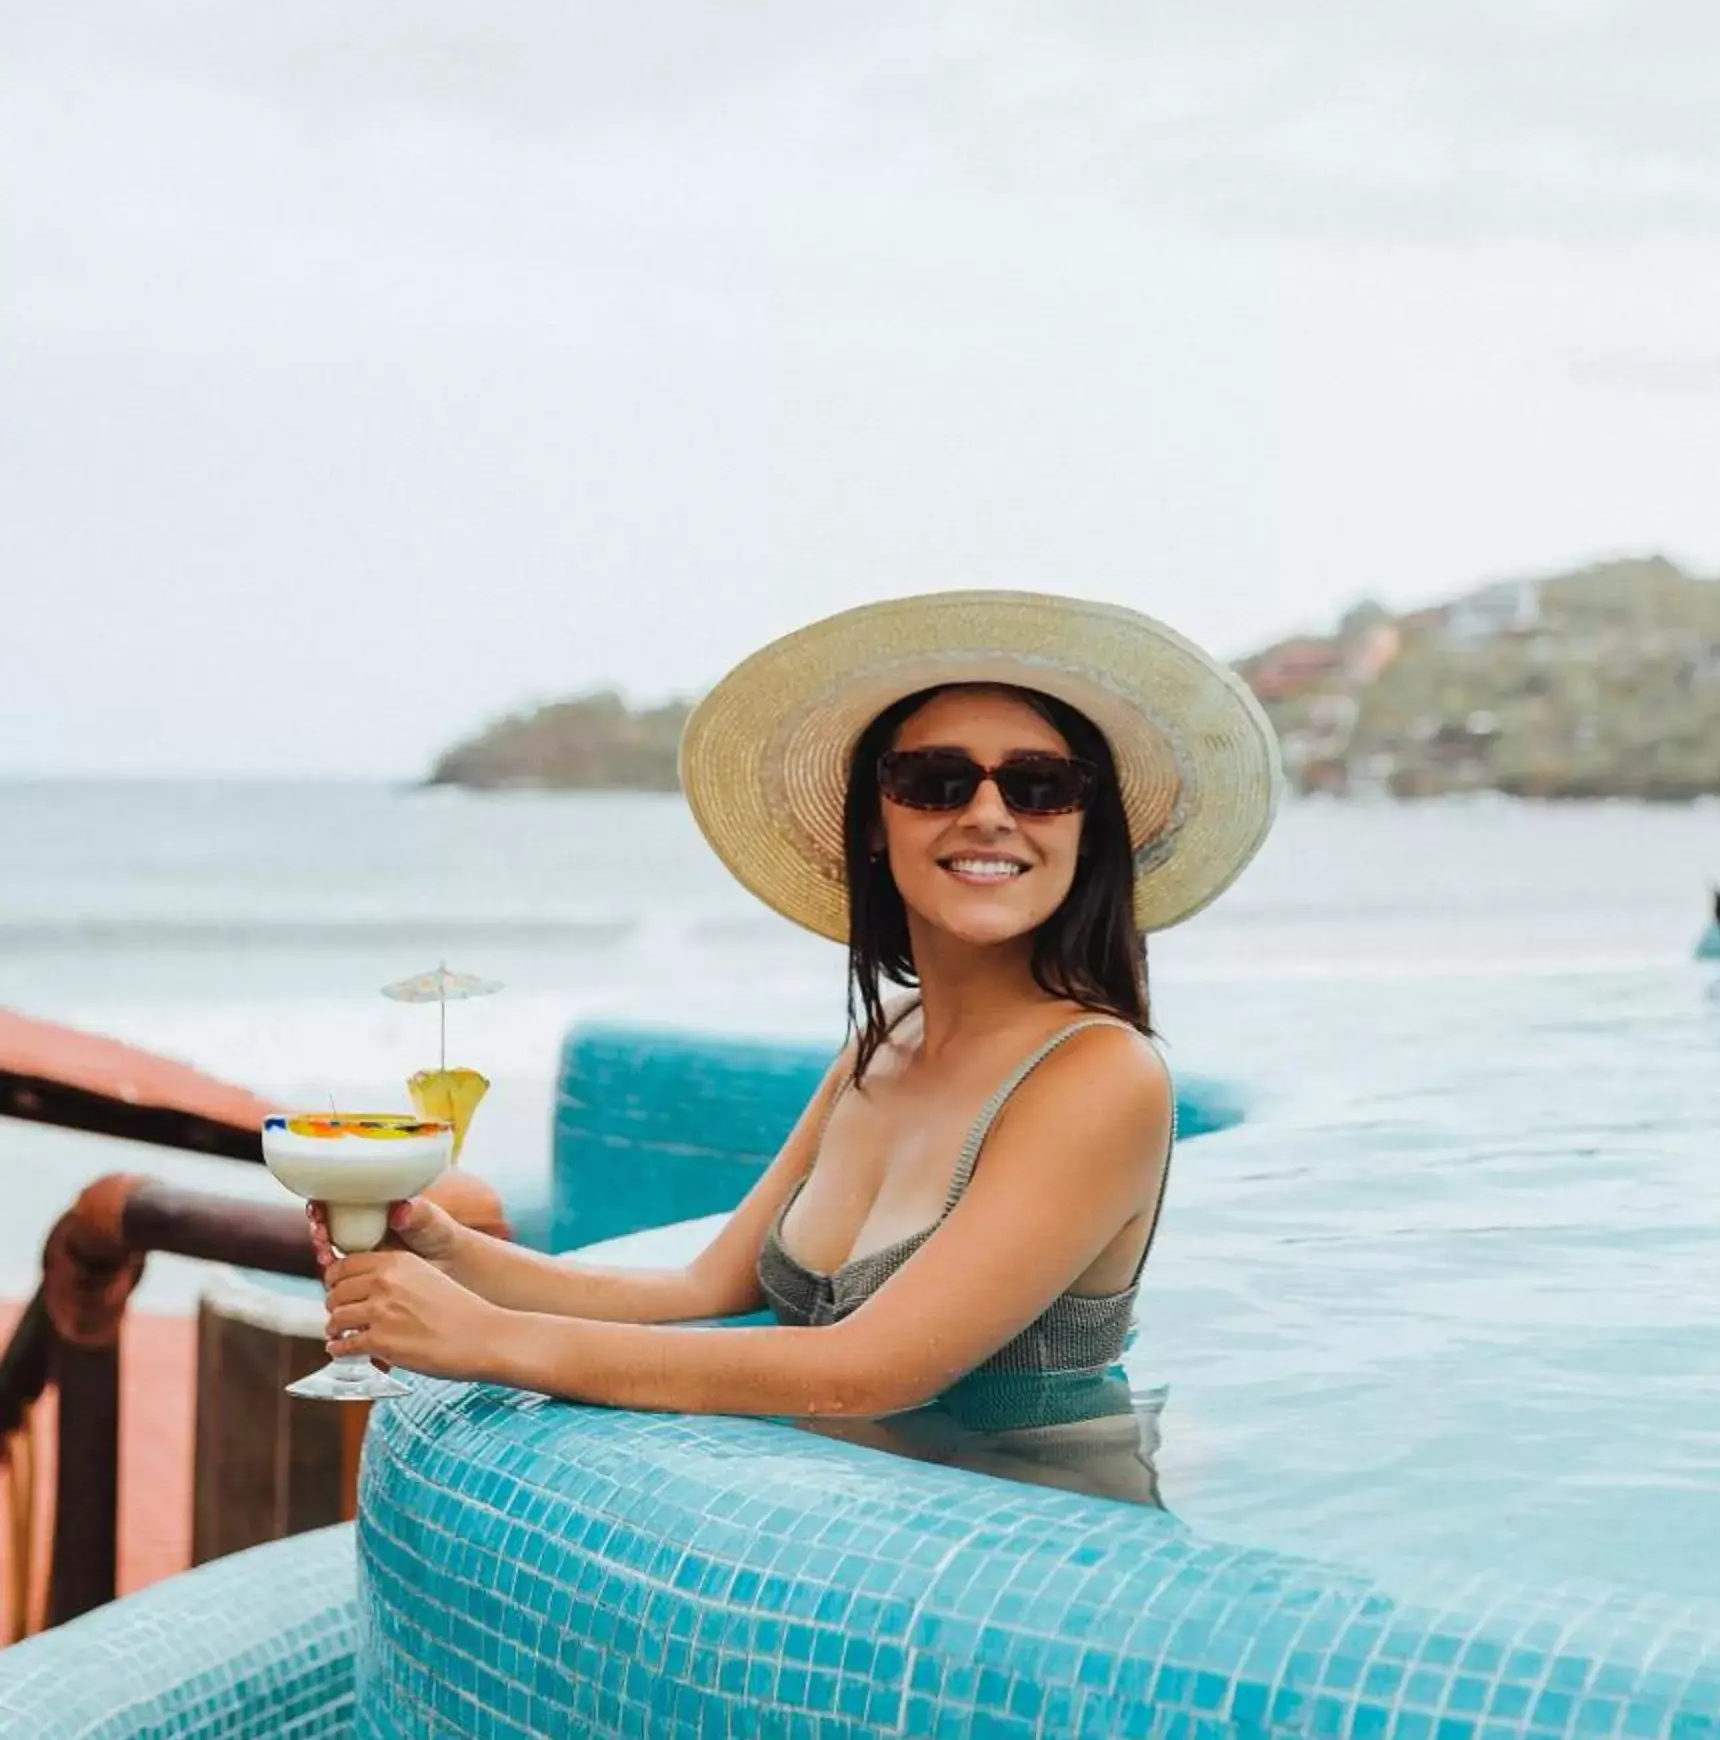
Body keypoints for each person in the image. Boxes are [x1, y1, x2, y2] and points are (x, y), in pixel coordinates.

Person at [316, 590, 1278, 1416]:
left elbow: (867, 1375)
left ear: (1085, 831)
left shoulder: (1099, 1078)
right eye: (936, 781)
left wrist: (496, 1344)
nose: (988, 814)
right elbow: (702, 1290)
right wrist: (450, 1253)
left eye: (1040, 787)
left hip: (1026, 1560)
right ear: (873, 823)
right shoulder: (885, 1042)